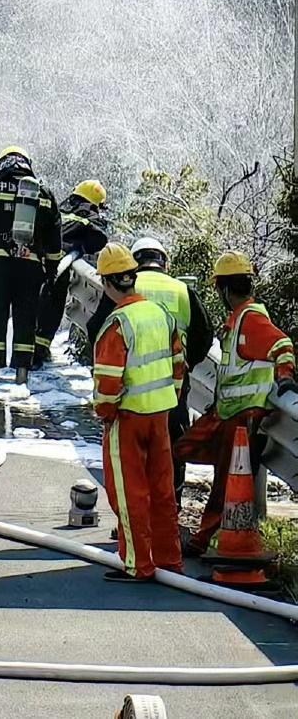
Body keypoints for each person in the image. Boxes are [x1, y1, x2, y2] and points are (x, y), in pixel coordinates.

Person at [176, 252, 296, 557]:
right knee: (179, 450)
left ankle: (201, 540)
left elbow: (281, 344)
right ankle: (171, 524)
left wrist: (285, 376)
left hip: (244, 420)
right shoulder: (240, 320)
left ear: (224, 289)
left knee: (223, 483)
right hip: (226, 414)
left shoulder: (251, 319)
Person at [85, 236, 214, 504]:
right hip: (173, 387)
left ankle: (136, 517)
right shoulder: (181, 290)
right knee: (171, 451)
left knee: (134, 460)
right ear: (164, 262)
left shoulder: (123, 285)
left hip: (130, 392)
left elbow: (97, 328)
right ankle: (170, 511)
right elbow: (204, 335)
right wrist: (185, 364)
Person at [93, 243, 184, 582]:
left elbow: (108, 381)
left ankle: (138, 564)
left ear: (107, 283)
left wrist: (105, 412)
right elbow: (179, 365)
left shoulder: (118, 323)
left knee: (130, 492)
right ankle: (169, 561)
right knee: (162, 490)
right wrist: (166, 398)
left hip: (127, 419)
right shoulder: (161, 314)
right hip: (160, 416)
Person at [0, 145, 61, 385]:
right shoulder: (44, 193)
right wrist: (51, 270)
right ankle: (22, 373)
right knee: (26, 317)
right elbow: (54, 237)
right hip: (30, 266)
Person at [33, 179, 109, 368]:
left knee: (29, 307)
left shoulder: (61, 207)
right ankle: (39, 352)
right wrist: (82, 247)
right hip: (58, 266)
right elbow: (101, 236)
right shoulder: (87, 213)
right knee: (51, 310)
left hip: (35, 262)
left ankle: (24, 352)